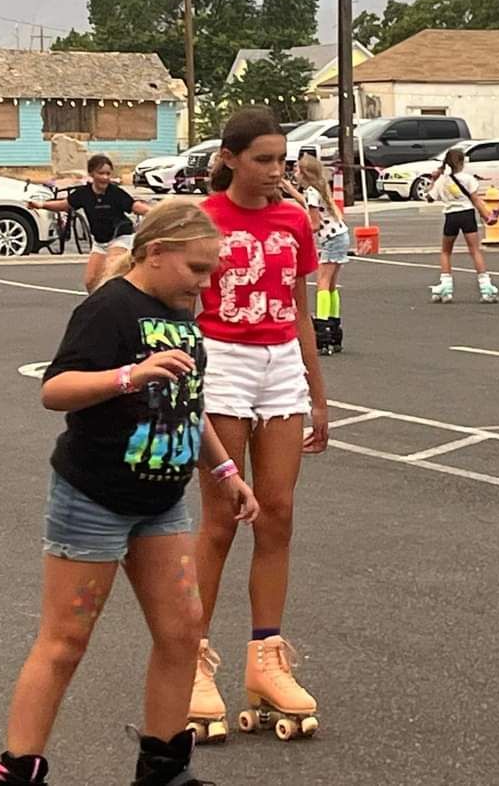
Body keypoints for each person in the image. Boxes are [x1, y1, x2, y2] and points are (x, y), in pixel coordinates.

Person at [0, 202, 260, 786]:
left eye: (211, 270)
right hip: (94, 498)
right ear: (156, 253)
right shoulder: (109, 308)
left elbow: (189, 402)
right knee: (65, 642)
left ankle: (164, 769)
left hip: (162, 502)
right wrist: (128, 376)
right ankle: (17, 774)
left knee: (182, 632)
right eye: (196, 268)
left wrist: (224, 471)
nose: (205, 282)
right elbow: (55, 390)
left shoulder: (181, 311)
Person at [187, 106, 329, 745]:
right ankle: (189, 658)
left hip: (280, 368)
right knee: (220, 518)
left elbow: (300, 311)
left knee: (278, 511)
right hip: (222, 362)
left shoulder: (295, 219)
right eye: (263, 160)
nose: (277, 172)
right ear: (229, 159)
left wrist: (318, 395)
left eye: (282, 160)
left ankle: (267, 657)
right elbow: (184, 308)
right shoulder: (203, 221)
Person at [29, 154, 151, 293]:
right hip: (100, 242)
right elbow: (64, 204)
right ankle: (97, 307)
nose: (105, 177)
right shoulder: (83, 193)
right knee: (91, 281)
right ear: (91, 173)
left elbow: (135, 206)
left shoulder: (115, 193)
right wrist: (41, 204)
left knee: (112, 270)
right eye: (101, 173)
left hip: (120, 238)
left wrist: (157, 212)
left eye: (108, 174)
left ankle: (122, 303)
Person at [286, 155, 351, 354]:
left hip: (331, 238)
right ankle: (334, 326)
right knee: (331, 284)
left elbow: (314, 224)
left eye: (297, 170)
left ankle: (322, 329)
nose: (294, 173)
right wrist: (288, 189)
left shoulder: (312, 192)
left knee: (322, 282)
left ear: (304, 173)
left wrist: (297, 231)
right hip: (340, 234)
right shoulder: (319, 187)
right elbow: (306, 203)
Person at [424, 148, 499, 303]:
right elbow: (476, 199)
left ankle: (446, 285)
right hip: (467, 215)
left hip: (450, 216)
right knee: (475, 250)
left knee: (446, 251)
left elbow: (429, 197)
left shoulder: (442, 181)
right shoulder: (468, 179)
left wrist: (433, 180)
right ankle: (485, 287)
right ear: (461, 162)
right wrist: (487, 216)